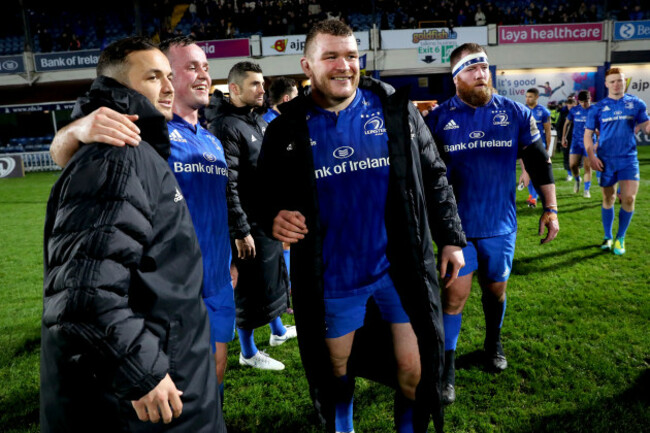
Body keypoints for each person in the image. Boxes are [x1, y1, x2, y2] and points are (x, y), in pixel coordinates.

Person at [257, 19, 466, 433]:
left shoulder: (394, 109)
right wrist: (271, 216)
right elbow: (263, 194)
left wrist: (451, 238)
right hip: (333, 277)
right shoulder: (286, 128)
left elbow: (434, 174)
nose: (344, 65)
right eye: (330, 56)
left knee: (416, 371)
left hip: (399, 269)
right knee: (335, 371)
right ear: (307, 65)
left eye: (351, 55)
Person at [41, 36, 225, 433]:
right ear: (122, 87)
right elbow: (83, 292)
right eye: (153, 77)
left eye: (167, 76)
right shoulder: (120, 155)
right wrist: (141, 372)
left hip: (169, 354)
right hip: (143, 393)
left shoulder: (141, 146)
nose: (167, 86)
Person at [426, 43, 560, 405]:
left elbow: (538, 162)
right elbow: (423, 176)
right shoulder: (437, 119)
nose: (481, 74)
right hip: (457, 230)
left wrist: (551, 207)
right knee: (454, 297)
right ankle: (447, 367)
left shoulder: (516, 113)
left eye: (485, 66)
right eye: (471, 68)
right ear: (456, 78)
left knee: (496, 291)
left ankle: (493, 341)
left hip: (501, 225)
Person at [210, 61, 296, 371]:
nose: (263, 89)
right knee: (249, 289)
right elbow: (227, 184)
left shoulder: (255, 121)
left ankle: (278, 332)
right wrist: (240, 229)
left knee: (271, 282)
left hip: (266, 220)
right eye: (255, 85)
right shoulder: (224, 126)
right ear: (234, 89)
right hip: (248, 225)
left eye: (263, 83)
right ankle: (247, 352)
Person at [584, 67, 650, 255]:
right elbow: (588, 135)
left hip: (628, 159)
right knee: (608, 198)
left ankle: (620, 238)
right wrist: (592, 157)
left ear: (624, 82)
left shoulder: (636, 104)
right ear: (606, 84)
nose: (616, 84)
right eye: (612, 81)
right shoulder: (597, 108)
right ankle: (607, 236)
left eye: (619, 80)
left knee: (629, 198)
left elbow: (646, 127)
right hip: (605, 160)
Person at [562, 90, 595, 198]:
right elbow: (567, 123)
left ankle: (586, 190)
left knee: (587, 167)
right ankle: (577, 180)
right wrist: (564, 137)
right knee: (572, 165)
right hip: (576, 142)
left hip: (589, 142)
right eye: (581, 102)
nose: (584, 104)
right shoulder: (574, 110)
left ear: (590, 99)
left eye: (586, 101)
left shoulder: (595, 110)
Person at [524, 87, 553, 208]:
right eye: (526, 96)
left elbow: (548, 131)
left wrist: (547, 148)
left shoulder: (544, 111)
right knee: (528, 172)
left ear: (537, 97)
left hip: (539, 146)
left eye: (530, 96)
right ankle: (533, 195)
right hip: (526, 146)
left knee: (536, 173)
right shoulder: (522, 109)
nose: (527, 98)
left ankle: (534, 197)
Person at [557, 96, 577, 181]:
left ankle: (577, 175)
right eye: (569, 106)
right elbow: (559, 126)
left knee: (577, 157)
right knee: (566, 156)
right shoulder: (563, 113)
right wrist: (561, 137)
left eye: (572, 106)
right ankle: (569, 174)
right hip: (566, 139)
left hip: (577, 138)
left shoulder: (579, 113)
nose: (570, 108)